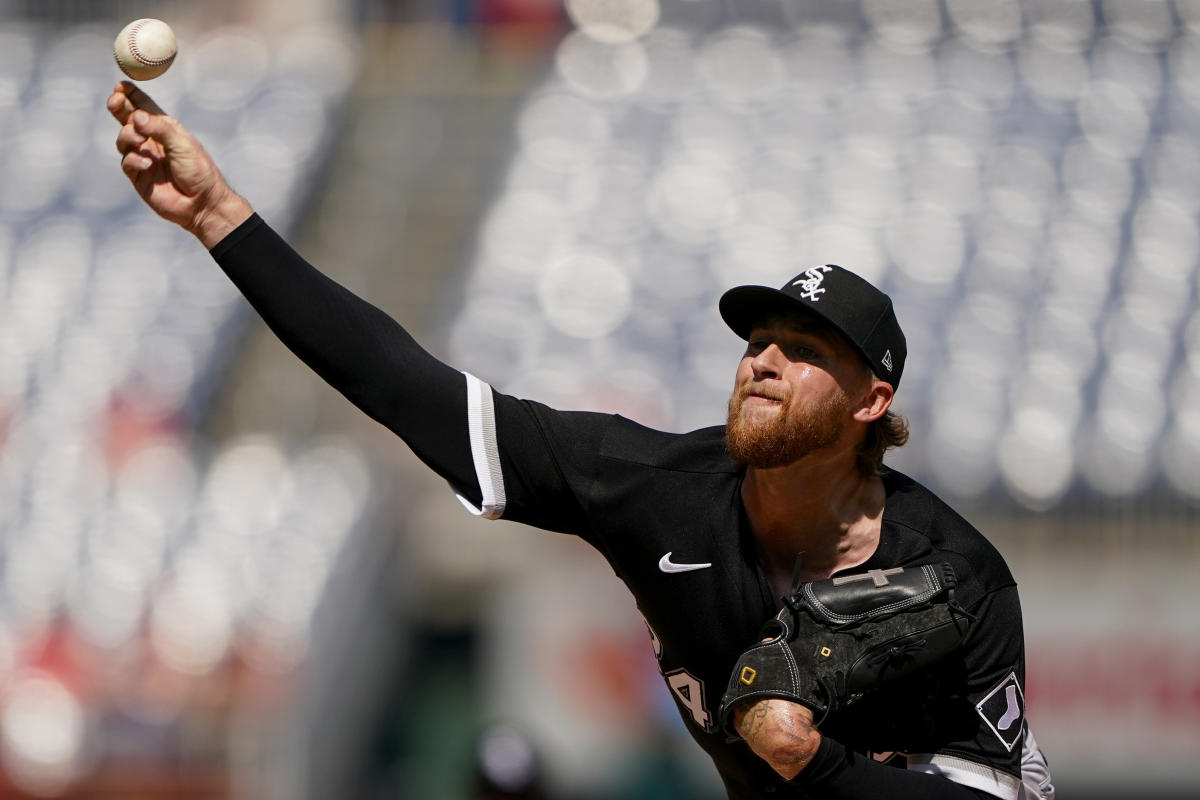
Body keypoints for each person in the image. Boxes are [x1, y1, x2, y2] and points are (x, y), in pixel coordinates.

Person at [108, 81, 1055, 800]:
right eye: (757, 340)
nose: (761, 360)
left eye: (802, 351)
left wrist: (814, 762)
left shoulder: (961, 579)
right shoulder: (654, 488)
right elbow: (408, 388)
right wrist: (219, 217)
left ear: (870, 400)